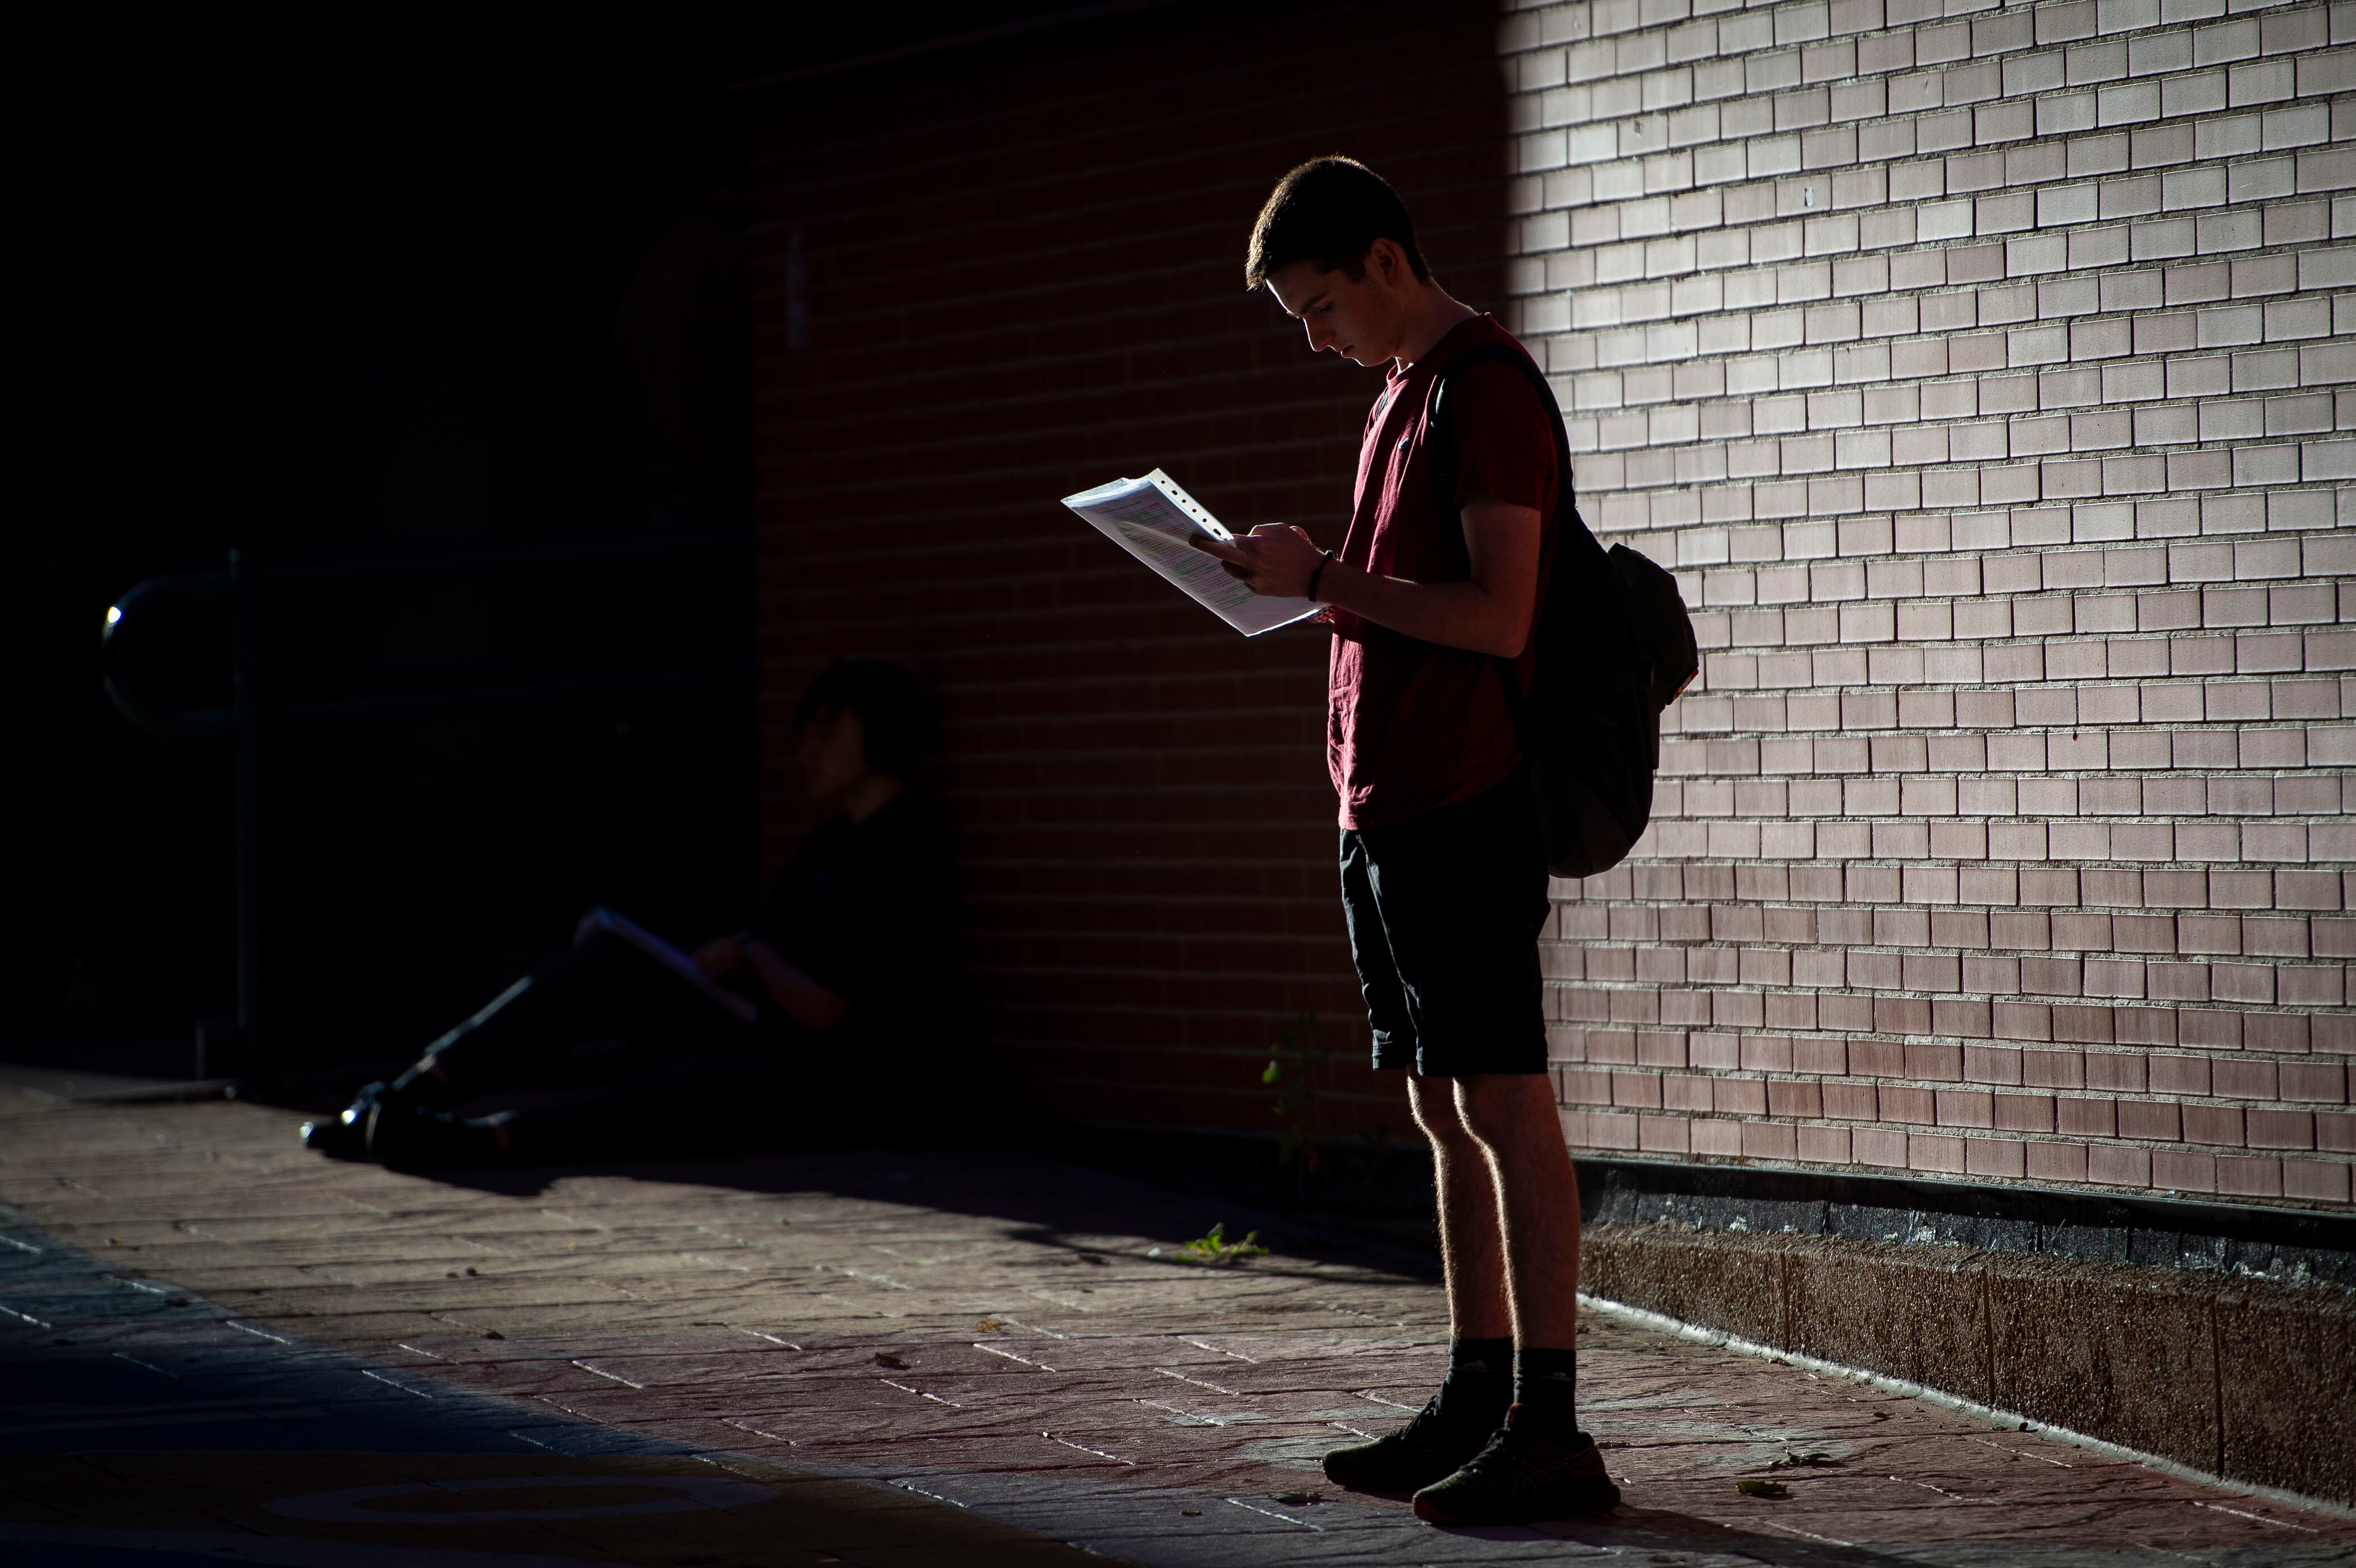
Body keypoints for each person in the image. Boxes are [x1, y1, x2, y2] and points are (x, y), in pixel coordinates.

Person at [1190, 157, 1618, 1525]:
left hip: (1463, 799)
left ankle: (1548, 1423)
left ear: (1384, 259)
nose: (1316, 339)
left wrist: (1318, 578)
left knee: (1502, 1100)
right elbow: (1390, 598)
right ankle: (1470, 1385)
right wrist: (1302, 581)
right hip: (1379, 804)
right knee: (1440, 1103)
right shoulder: (1395, 395)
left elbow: (1498, 614)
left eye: (1320, 308)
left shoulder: (1482, 389)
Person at [300, 659, 955, 1169]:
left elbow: (829, 1012)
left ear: (878, 736)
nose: (806, 750)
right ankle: (402, 1098)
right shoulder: (828, 842)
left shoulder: (902, 849)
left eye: (827, 732)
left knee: (681, 1086)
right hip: (763, 1024)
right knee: (609, 962)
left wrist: (751, 954)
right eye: (806, 732)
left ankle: (483, 1142)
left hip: (830, 1076)